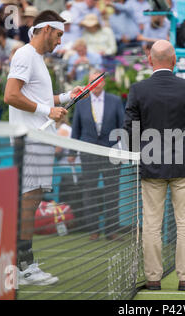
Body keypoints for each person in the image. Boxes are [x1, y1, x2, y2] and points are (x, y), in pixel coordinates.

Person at [4, 9, 84, 286]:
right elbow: (10, 95)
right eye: (59, 35)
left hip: (39, 138)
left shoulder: (35, 58)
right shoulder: (26, 55)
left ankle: (20, 264)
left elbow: (35, 97)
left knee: (32, 199)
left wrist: (65, 97)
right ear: (47, 29)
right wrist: (47, 110)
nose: (60, 41)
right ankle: (22, 265)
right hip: (31, 138)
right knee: (28, 200)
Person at [123, 40, 185, 291]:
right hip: (184, 165)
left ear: (150, 60)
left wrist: (143, 152)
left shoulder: (138, 89)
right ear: (174, 60)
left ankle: (153, 279)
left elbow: (131, 130)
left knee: (152, 224)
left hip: (152, 165)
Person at [69, 69, 125, 241]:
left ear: (103, 83)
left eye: (98, 81)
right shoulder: (81, 103)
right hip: (88, 153)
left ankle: (111, 231)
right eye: (92, 82)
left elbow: (122, 127)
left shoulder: (115, 101)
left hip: (111, 152)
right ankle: (93, 230)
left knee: (112, 192)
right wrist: (71, 152)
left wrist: (123, 149)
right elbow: (76, 128)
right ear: (89, 84)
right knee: (90, 191)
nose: (96, 85)